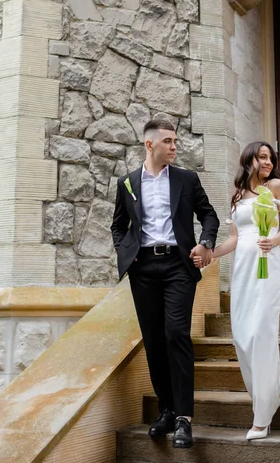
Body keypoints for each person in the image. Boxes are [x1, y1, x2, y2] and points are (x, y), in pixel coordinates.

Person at [111, 119, 219, 449]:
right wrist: (127, 254)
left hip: (177, 265)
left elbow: (209, 215)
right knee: (154, 340)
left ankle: (184, 418)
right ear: (150, 145)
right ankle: (167, 410)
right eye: (169, 141)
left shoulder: (186, 179)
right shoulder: (127, 182)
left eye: (175, 141)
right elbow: (118, 226)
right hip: (144, 268)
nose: (174, 147)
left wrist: (205, 242)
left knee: (176, 333)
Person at [199, 141, 280, 441]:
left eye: (271, 158)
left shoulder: (276, 187)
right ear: (249, 160)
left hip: (266, 263)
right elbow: (234, 238)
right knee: (242, 336)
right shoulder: (238, 196)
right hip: (242, 268)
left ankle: (262, 415)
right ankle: (279, 372)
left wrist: (274, 241)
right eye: (262, 157)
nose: (268, 162)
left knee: (260, 331)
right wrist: (210, 254)